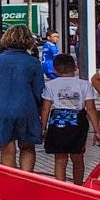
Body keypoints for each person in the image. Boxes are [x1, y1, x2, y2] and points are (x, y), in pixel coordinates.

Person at [0, 25, 46, 171]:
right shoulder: (33, 62)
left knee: (7, 149)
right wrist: (40, 109)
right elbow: (39, 90)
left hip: (0, 108)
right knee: (27, 147)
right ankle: (26, 179)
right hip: (26, 109)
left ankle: (11, 179)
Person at [41, 53, 99, 185]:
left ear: (55, 70)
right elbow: (91, 109)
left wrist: (43, 127)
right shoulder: (85, 85)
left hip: (57, 123)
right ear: (75, 67)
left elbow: (45, 109)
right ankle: (78, 186)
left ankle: (60, 186)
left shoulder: (50, 85)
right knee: (78, 158)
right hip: (78, 123)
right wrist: (97, 130)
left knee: (60, 158)